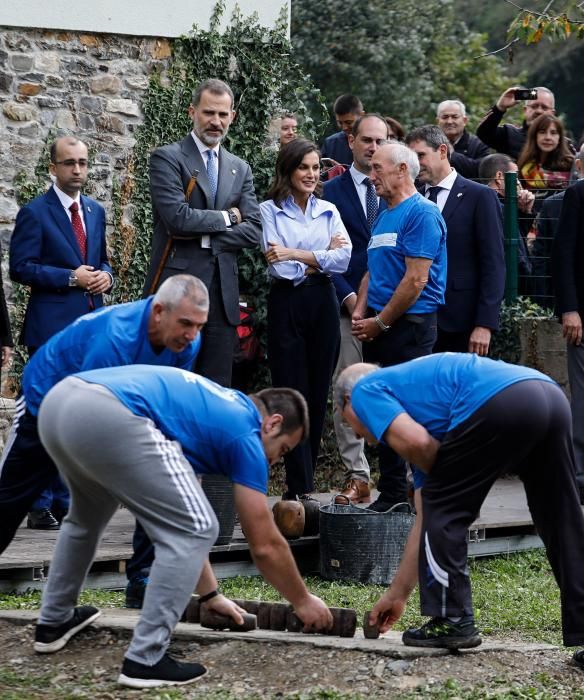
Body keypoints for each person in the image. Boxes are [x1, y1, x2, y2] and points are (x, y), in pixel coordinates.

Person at [33, 366, 333, 688]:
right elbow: (264, 544)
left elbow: (183, 520)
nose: (274, 461)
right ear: (272, 423)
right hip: (114, 413)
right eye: (282, 450)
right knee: (201, 527)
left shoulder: (207, 415)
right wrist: (302, 601)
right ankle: (145, 659)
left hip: (61, 402)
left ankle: (54, 621)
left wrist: (210, 595)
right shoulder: (245, 432)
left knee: (86, 519)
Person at [335, 356, 584, 661]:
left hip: (501, 400)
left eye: (351, 425)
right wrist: (397, 594)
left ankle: (452, 618)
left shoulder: (365, 391)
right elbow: (426, 517)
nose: (361, 437)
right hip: (549, 396)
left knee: (442, 499)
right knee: (562, 520)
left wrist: (454, 494)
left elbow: (420, 449)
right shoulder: (428, 406)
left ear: (348, 401)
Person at [0, 274, 207, 557]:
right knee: (11, 498)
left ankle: (141, 580)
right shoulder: (115, 337)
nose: (192, 335)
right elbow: (89, 410)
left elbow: (166, 401)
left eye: (199, 326)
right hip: (47, 395)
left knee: (159, 481)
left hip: (106, 402)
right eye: (186, 324)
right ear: (159, 312)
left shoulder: (187, 342)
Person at [9, 135, 114, 528]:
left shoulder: (96, 211)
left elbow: (102, 260)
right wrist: (70, 278)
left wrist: (106, 276)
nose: (77, 170)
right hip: (50, 331)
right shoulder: (36, 213)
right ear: (52, 167)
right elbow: (20, 268)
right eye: (69, 163)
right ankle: (39, 503)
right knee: (44, 418)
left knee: (80, 418)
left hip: (90, 329)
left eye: (83, 163)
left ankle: (67, 498)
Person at [143, 78, 262, 387]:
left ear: (232, 117)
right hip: (176, 290)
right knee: (169, 382)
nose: (216, 122)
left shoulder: (240, 168)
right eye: (209, 113)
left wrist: (208, 234)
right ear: (192, 111)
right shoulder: (167, 158)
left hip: (222, 298)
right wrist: (228, 216)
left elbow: (254, 230)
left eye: (223, 115)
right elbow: (177, 220)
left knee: (215, 387)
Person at [351, 142, 447, 511]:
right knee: (381, 408)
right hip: (382, 325)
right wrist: (361, 309)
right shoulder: (384, 214)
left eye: (377, 169)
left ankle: (421, 497)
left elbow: (416, 280)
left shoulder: (420, 214)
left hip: (409, 327)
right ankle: (392, 494)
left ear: (402, 170)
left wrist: (381, 321)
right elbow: (373, 269)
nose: (371, 176)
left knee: (408, 412)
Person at [261, 138, 351, 500]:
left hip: (322, 302)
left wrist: (296, 252)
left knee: (316, 395)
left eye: (316, 167)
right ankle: (298, 488)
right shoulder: (269, 210)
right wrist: (319, 255)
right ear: (288, 169)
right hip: (287, 303)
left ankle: (304, 488)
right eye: (304, 167)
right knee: (290, 395)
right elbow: (280, 269)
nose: (311, 174)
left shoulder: (328, 209)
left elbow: (343, 259)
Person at [322, 114, 389, 504]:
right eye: (366, 140)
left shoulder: (399, 189)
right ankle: (357, 474)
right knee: (346, 387)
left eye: (380, 141)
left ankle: (404, 471)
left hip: (394, 308)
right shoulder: (331, 193)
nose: (373, 147)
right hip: (347, 305)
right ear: (350, 141)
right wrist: (349, 298)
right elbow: (326, 253)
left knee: (396, 386)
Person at [406, 125, 505, 356]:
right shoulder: (412, 198)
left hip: (463, 322)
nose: (415, 164)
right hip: (416, 320)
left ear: (442, 151)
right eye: (411, 157)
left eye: (420, 155)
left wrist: (485, 324)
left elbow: (494, 264)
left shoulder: (480, 196)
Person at [552, 176, 584, 504]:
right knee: (583, 400)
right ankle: (580, 478)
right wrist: (570, 309)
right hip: (582, 318)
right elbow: (562, 255)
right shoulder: (578, 194)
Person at [478, 153, 534, 298]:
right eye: (516, 176)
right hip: (507, 292)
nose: (519, 183)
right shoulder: (500, 208)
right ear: (499, 177)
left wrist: (525, 212)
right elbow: (518, 257)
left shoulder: (484, 202)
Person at [476, 86, 556, 160]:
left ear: (552, 113)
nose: (539, 111)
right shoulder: (509, 135)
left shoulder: (562, 144)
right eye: (534, 106)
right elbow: (484, 133)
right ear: (525, 110)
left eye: (544, 107)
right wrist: (500, 108)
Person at [517, 113, 574, 207]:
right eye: (542, 132)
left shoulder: (570, 165)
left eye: (553, 133)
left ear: (560, 138)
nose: (548, 137)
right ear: (534, 136)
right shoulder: (525, 166)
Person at [436, 99, 490, 180]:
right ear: (438, 121)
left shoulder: (479, 144)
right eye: (445, 117)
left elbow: (483, 171)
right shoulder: (429, 145)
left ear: (464, 120)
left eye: (455, 117)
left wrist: (452, 154)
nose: (449, 121)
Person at [321, 94, 364, 168]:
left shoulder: (375, 142)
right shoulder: (330, 144)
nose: (344, 128)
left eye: (349, 122)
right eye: (340, 122)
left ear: (362, 115)